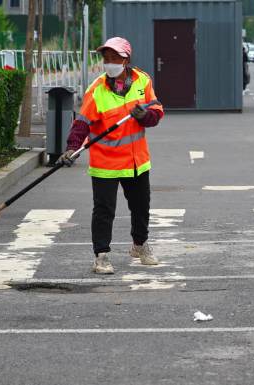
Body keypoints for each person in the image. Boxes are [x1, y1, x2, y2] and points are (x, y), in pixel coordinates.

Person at [58, 37, 164, 274]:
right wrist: (71, 149)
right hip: (105, 162)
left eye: (114, 58)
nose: (109, 63)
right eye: (106, 58)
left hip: (136, 161)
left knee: (141, 207)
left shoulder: (142, 81)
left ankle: (140, 245)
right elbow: (82, 124)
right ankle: (101, 255)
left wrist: (143, 116)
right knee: (104, 211)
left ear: (126, 60)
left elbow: (157, 112)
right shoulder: (96, 89)